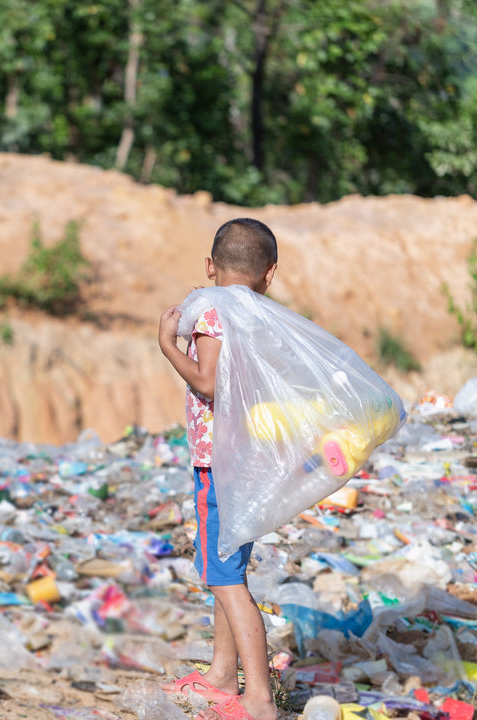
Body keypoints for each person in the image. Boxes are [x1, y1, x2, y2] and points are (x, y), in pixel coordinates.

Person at [156, 218, 279, 720]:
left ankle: (258, 699)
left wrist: (168, 346)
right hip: (248, 460)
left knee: (225, 579)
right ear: (269, 274)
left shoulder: (212, 311)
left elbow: (209, 384)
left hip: (218, 465)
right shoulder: (262, 315)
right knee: (232, 568)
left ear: (210, 266)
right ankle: (222, 676)